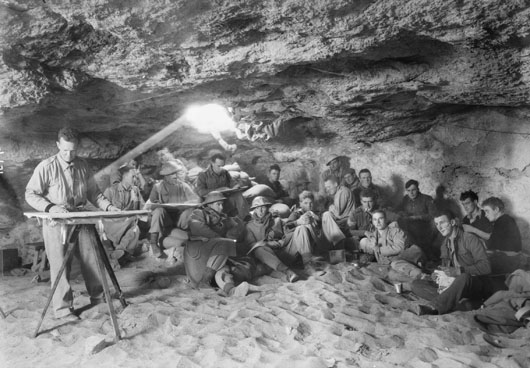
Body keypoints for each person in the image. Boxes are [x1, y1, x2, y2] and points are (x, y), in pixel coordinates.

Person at [25, 127, 120, 321]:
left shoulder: (83, 166)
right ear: (58, 145)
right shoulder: (46, 166)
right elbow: (30, 194)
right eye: (65, 150)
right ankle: (62, 310)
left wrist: (109, 207)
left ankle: (99, 299)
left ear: (78, 148)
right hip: (56, 222)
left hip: (80, 218)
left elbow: (94, 194)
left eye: (73, 150)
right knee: (60, 264)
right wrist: (50, 208)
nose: (69, 155)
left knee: (92, 258)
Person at [416, 210, 492, 315]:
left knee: (464, 277)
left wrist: (459, 270)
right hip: (455, 283)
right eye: (437, 224)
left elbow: (486, 267)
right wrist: (437, 275)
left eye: (442, 222)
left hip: (474, 283)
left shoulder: (470, 238)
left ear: (452, 223)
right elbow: (445, 267)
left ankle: (434, 306)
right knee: (416, 284)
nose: (439, 227)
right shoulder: (444, 244)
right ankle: (459, 302)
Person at [184, 191, 249, 296]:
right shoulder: (198, 213)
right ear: (209, 205)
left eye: (222, 204)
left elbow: (236, 227)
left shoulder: (223, 217)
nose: (221, 207)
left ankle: (231, 290)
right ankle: (204, 281)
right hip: (199, 249)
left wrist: (235, 229)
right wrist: (221, 239)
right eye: (218, 204)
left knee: (224, 270)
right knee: (225, 244)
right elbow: (199, 229)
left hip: (215, 253)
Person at [146, 161, 200, 258]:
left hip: (179, 221)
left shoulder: (183, 186)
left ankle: (190, 235)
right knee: (158, 211)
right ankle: (153, 243)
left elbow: (196, 200)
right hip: (166, 222)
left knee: (191, 213)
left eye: (175, 173)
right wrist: (159, 205)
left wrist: (186, 204)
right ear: (165, 176)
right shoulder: (157, 187)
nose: (175, 176)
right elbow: (151, 205)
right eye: (172, 174)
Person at [244, 196, 311, 271]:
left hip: (285, 252)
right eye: (257, 208)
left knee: (301, 229)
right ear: (254, 210)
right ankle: (286, 271)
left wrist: (298, 222)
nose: (260, 211)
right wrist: (267, 244)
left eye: (263, 207)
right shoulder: (249, 226)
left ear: (267, 208)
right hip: (269, 257)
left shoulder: (277, 220)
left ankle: (309, 264)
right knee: (258, 249)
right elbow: (251, 246)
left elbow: (288, 229)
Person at [359, 210, 425, 278]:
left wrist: (378, 249)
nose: (378, 222)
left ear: (386, 219)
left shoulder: (395, 231)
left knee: (395, 264)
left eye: (380, 219)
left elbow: (399, 248)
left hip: (408, 255)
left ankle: (422, 275)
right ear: (372, 222)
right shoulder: (374, 236)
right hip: (390, 264)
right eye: (375, 219)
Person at [103, 163, 146, 260]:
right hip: (113, 224)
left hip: (129, 223)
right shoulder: (111, 191)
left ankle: (120, 251)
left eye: (136, 177)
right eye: (133, 177)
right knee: (133, 223)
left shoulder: (135, 190)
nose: (135, 180)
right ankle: (123, 253)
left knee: (135, 229)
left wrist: (149, 209)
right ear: (125, 176)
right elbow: (102, 212)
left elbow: (142, 208)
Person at [196, 153, 249, 220]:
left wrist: (236, 185)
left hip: (225, 201)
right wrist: (217, 190)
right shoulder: (203, 175)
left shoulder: (225, 172)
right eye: (219, 166)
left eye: (223, 166)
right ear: (212, 163)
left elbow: (232, 183)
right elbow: (201, 192)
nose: (221, 168)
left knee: (238, 195)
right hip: (212, 203)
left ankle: (245, 219)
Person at [396, 179, 436, 252]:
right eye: (408, 190)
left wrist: (417, 217)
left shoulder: (427, 199)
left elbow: (432, 215)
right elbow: (398, 209)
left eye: (413, 190)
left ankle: (420, 252)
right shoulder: (405, 199)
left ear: (418, 189)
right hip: (409, 225)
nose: (411, 193)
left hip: (424, 226)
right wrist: (400, 213)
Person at [284, 190, 321, 257]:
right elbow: (286, 227)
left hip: (313, 245)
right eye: (306, 203)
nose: (309, 205)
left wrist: (318, 219)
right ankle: (307, 259)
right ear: (300, 204)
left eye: (311, 203)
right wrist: (298, 222)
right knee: (303, 227)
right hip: (296, 245)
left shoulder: (315, 214)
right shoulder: (296, 214)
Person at [321, 176, 355, 248]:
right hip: (342, 220)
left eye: (329, 187)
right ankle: (335, 244)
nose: (327, 189)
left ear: (336, 184)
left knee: (326, 215)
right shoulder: (338, 192)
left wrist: (331, 207)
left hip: (347, 221)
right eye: (326, 187)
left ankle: (338, 242)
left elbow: (337, 213)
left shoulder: (342, 192)